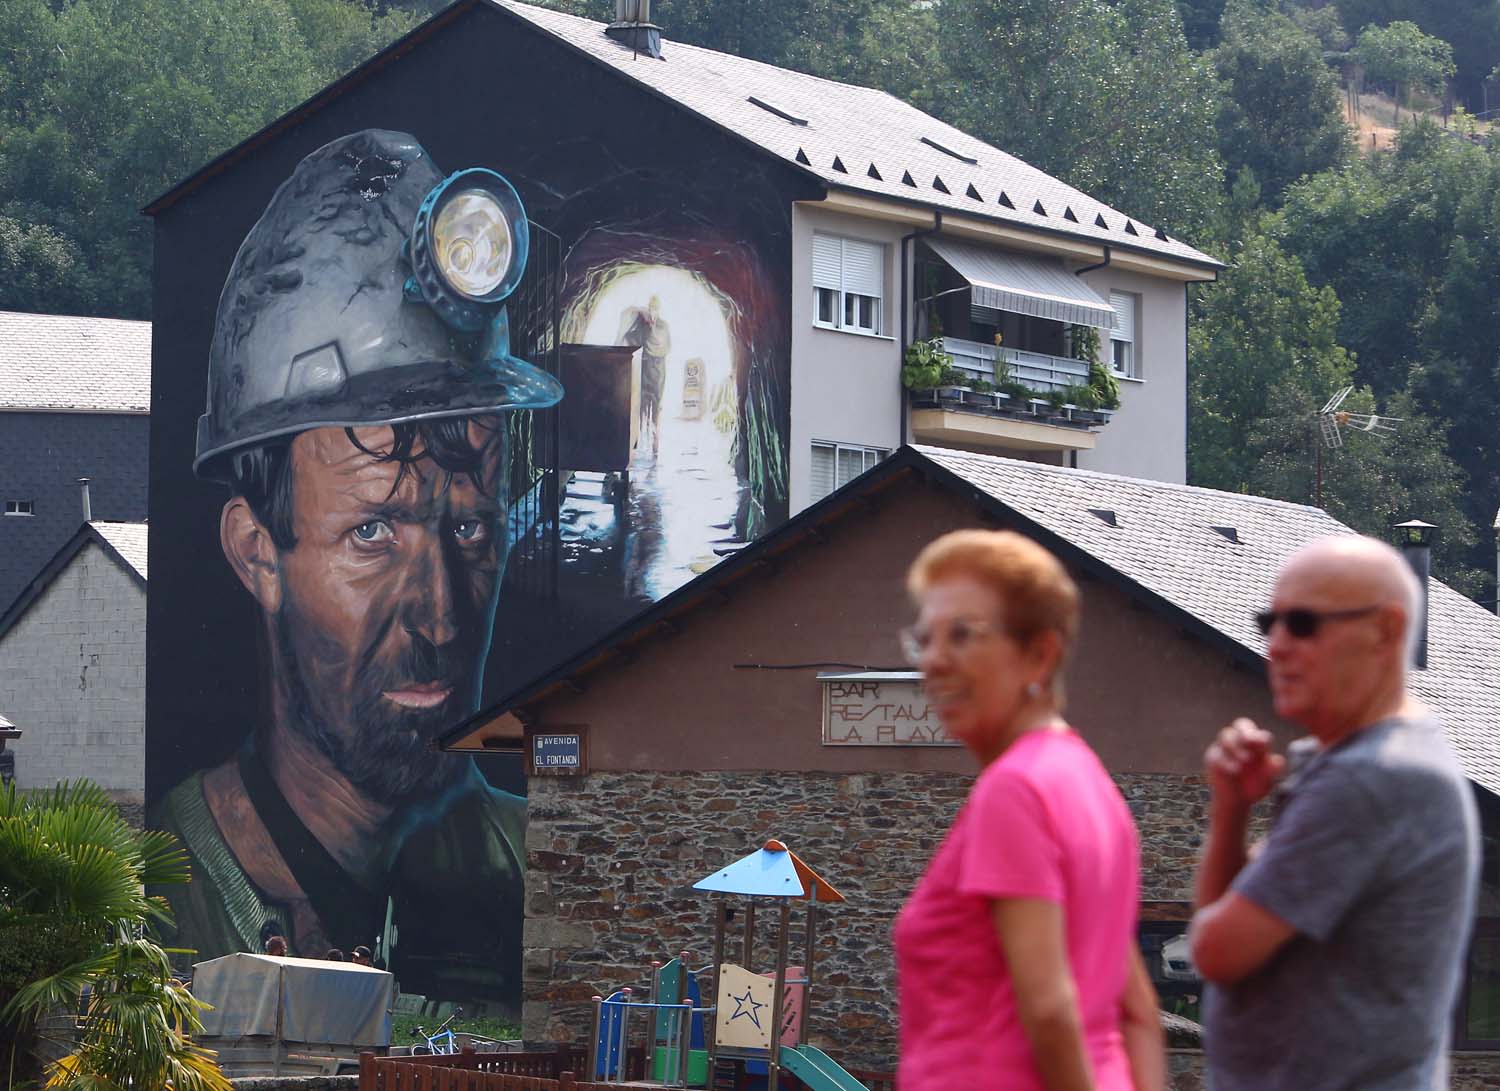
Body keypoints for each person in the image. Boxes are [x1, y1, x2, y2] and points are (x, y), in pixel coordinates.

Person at [150, 129, 564, 1014]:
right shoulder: (152, 902)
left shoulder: (551, 876)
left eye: (473, 528)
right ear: (256, 550)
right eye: (375, 531)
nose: (444, 616)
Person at [1189, 534, 1479, 1090]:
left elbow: (1215, 952)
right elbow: (1230, 922)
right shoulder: (1352, 762)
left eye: (1303, 624)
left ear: (1386, 630)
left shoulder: (1370, 779)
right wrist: (1232, 809)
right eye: (1267, 622)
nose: (1276, 645)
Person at [894, 530, 1163, 1091]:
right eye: (926, 639)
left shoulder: (1013, 789)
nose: (936, 661)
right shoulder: (1092, 786)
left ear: (1040, 653)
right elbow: (1138, 1013)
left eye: (963, 635)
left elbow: (1048, 1009)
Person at [617, 295, 671, 456]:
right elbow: (630, 335)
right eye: (650, 308)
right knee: (639, 406)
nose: (652, 311)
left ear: (659, 309)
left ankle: (655, 444)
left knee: (655, 406)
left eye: (655, 308)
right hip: (643, 369)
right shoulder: (643, 324)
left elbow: (664, 346)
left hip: (658, 371)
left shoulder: (662, 326)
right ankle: (636, 442)